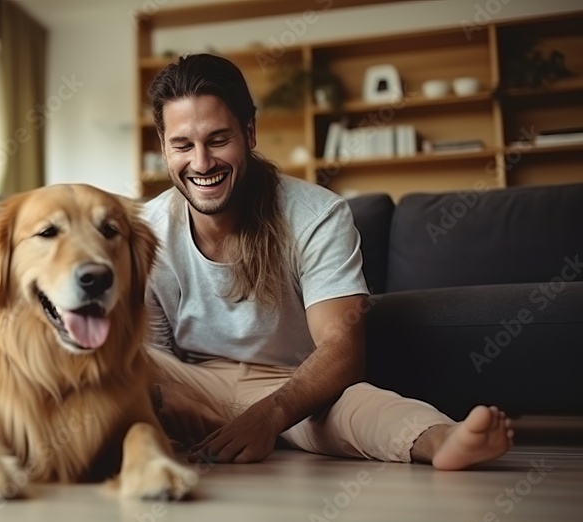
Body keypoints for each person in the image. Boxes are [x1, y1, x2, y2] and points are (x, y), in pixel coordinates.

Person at [143, 53, 512, 470]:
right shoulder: (145, 231)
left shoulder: (317, 214)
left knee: (354, 406)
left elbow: (341, 348)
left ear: (249, 132)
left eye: (217, 139)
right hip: (195, 383)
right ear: (163, 147)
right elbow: (152, 360)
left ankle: (442, 440)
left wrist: (268, 416)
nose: (202, 162)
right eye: (182, 145)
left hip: (292, 387)